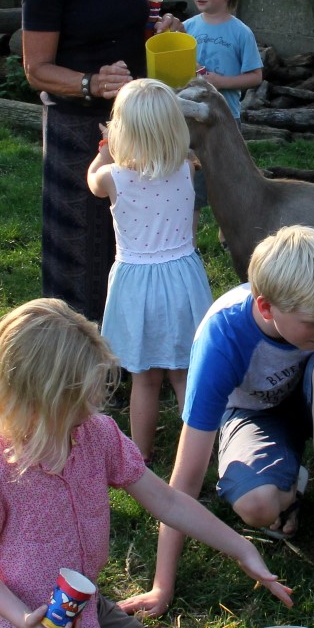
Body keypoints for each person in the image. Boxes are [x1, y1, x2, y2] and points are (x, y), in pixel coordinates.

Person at [0, 298, 291, 628]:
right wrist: (20, 617)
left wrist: (242, 549)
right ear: (36, 396)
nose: (91, 406)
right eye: (78, 397)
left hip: (76, 608)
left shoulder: (94, 435)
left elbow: (166, 501)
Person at [120, 226, 314, 614]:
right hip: (253, 415)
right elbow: (186, 478)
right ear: (265, 308)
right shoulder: (221, 338)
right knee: (257, 506)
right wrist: (162, 586)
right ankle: (289, 482)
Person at [20, 0, 182, 324]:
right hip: (77, 131)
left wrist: (158, 32)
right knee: (81, 251)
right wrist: (90, 83)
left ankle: (133, 350)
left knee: (135, 242)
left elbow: (133, 18)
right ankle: (78, 359)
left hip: (131, 121)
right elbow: (36, 69)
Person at [87, 79, 213, 464]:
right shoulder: (186, 169)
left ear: (122, 130)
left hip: (138, 285)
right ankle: (203, 454)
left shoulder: (113, 178)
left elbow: (92, 179)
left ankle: (139, 456)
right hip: (182, 279)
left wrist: (104, 150)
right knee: (183, 374)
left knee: (144, 378)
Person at [182, 0, 263, 119]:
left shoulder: (241, 32)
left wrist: (221, 82)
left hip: (226, 116)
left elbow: (256, 76)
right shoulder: (186, 28)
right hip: (190, 114)